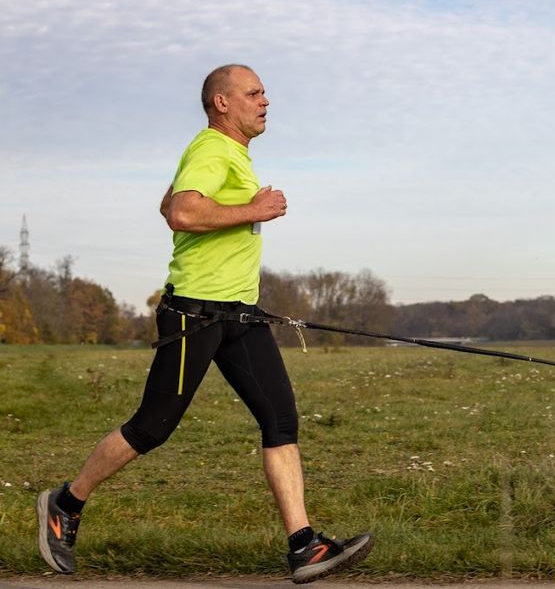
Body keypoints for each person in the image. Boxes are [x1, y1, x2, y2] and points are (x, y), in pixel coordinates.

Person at [37, 64, 373, 584]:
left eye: (264, 93)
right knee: (152, 427)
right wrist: (254, 207)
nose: (266, 100)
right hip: (195, 315)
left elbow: (168, 203)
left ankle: (304, 545)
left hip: (239, 314)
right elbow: (183, 215)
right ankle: (65, 502)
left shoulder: (223, 152)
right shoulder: (212, 149)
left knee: (280, 420)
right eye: (254, 93)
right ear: (222, 102)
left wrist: (235, 213)